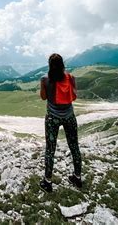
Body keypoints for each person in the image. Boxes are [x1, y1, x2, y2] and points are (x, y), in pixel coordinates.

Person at [39, 53, 82, 192]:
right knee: (74, 146)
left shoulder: (45, 79)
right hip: (69, 116)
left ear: (50, 65)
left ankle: (48, 181)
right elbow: (74, 96)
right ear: (63, 64)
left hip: (52, 117)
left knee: (50, 149)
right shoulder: (71, 78)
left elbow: (43, 97)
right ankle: (77, 177)